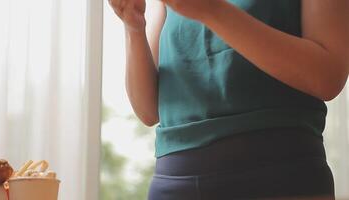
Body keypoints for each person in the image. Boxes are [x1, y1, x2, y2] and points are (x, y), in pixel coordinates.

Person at [108, 0, 349, 199]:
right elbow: (148, 110)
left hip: (280, 175)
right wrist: (133, 27)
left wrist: (212, 10)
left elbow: (328, 77)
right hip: (174, 182)